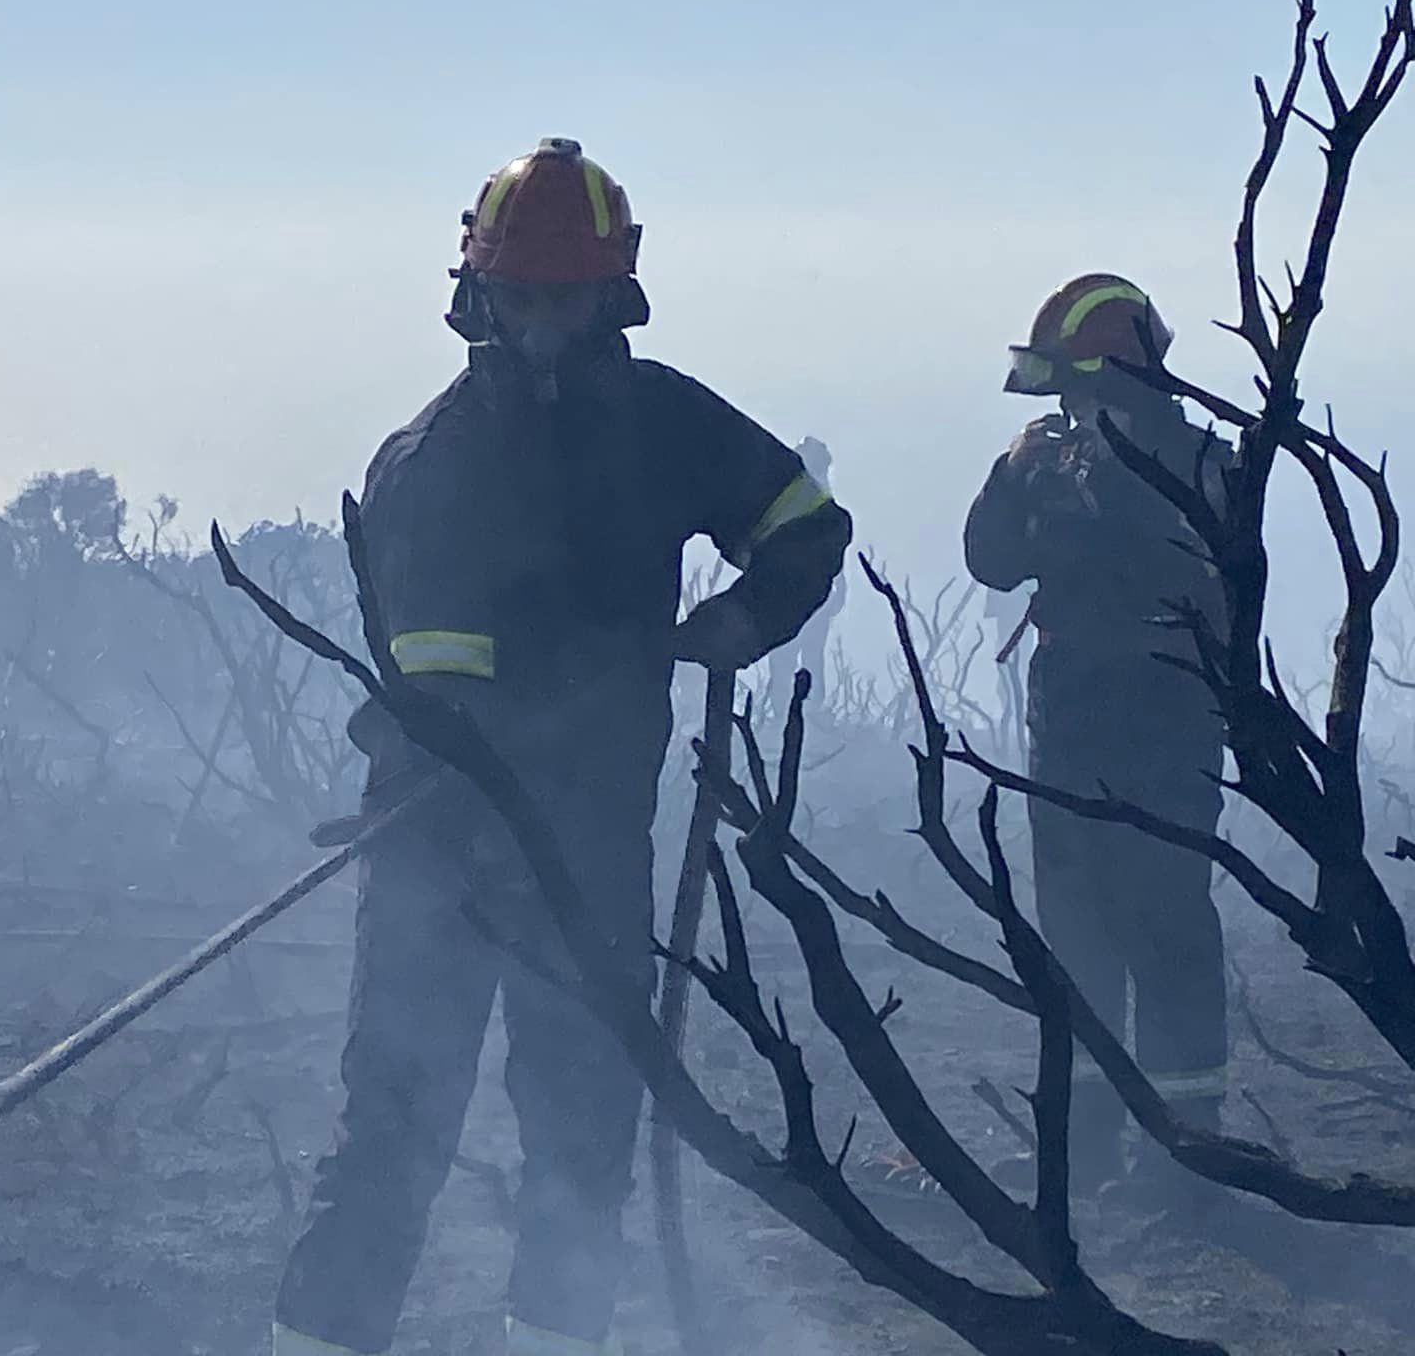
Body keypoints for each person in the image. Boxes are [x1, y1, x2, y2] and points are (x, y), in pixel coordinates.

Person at [274, 139, 852, 1356]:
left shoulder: (664, 422)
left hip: (590, 855)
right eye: (523, 301)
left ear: (611, 298)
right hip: (439, 849)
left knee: (579, 1136)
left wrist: (739, 625)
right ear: (478, 300)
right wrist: (500, 769)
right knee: (393, 1132)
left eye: (566, 300)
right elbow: (433, 685)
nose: (543, 328)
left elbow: (803, 521)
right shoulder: (429, 463)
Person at [963, 273, 1229, 1201]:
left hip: (1161, 734)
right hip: (1074, 735)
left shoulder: (1197, 469)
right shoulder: (1058, 463)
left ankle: (1190, 1163)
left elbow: (1142, 565)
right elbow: (989, 562)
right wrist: (1017, 471)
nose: (1065, 409)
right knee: (1077, 943)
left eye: (1075, 388)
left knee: (1165, 937)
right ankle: (1085, 1152)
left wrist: (1048, 483)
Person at [765, 436, 846, 715]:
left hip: (808, 587)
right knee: (791, 653)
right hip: (792, 586)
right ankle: (790, 711)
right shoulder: (798, 491)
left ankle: (802, 711)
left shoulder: (812, 490)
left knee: (803, 653)